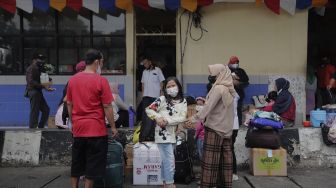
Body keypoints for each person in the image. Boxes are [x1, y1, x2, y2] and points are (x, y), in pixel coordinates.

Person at [66, 49, 118, 188]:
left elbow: (69, 103)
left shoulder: (73, 80)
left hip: (79, 129)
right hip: (96, 130)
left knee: (77, 162)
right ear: (96, 61)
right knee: (93, 165)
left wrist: (74, 122)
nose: (102, 64)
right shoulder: (101, 80)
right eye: (101, 62)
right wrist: (113, 126)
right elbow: (107, 106)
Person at [187, 64, 235, 188]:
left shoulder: (218, 88)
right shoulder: (229, 89)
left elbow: (208, 107)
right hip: (226, 130)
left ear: (220, 75)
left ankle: (207, 185)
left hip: (214, 128)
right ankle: (224, 184)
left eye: (214, 74)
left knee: (210, 161)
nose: (212, 77)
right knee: (224, 161)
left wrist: (195, 118)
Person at [145, 77, 187, 188]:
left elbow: (182, 118)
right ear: (165, 89)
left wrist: (166, 121)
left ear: (178, 86)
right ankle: (169, 183)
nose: (171, 88)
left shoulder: (183, 101)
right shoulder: (162, 99)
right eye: (168, 86)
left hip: (173, 134)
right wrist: (158, 118)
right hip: (162, 135)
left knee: (165, 160)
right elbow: (149, 109)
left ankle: (164, 182)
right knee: (169, 160)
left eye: (173, 85)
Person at [139, 55, 165, 142]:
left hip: (155, 97)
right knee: (145, 116)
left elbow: (161, 82)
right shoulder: (144, 72)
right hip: (146, 97)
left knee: (154, 116)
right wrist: (143, 95)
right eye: (144, 64)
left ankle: (152, 135)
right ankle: (144, 135)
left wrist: (161, 93)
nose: (145, 65)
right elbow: (142, 84)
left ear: (150, 62)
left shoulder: (157, 70)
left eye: (146, 63)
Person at [25, 52, 54, 129]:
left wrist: (48, 84)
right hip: (33, 91)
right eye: (40, 59)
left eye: (42, 59)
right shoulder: (31, 68)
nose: (42, 61)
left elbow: (43, 79)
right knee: (35, 111)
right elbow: (30, 81)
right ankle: (33, 128)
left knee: (46, 110)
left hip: (38, 91)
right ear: (34, 60)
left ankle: (41, 127)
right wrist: (43, 85)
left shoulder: (39, 68)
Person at [55, 61, 86, 129]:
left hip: (68, 117)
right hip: (74, 117)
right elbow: (67, 101)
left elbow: (65, 99)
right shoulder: (78, 81)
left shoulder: (71, 80)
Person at [228, 56, 249, 126]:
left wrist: (238, 81)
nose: (236, 64)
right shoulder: (226, 70)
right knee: (228, 109)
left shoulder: (241, 71)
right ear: (230, 63)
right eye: (234, 63)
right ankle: (229, 124)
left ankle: (238, 124)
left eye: (237, 62)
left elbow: (246, 80)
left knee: (238, 108)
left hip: (239, 94)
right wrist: (231, 81)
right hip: (228, 94)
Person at [232, 92, 240, 181]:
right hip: (232, 126)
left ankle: (233, 172)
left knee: (229, 149)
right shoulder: (233, 93)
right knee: (229, 149)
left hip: (231, 126)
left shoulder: (231, 93)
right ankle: (233, 172)